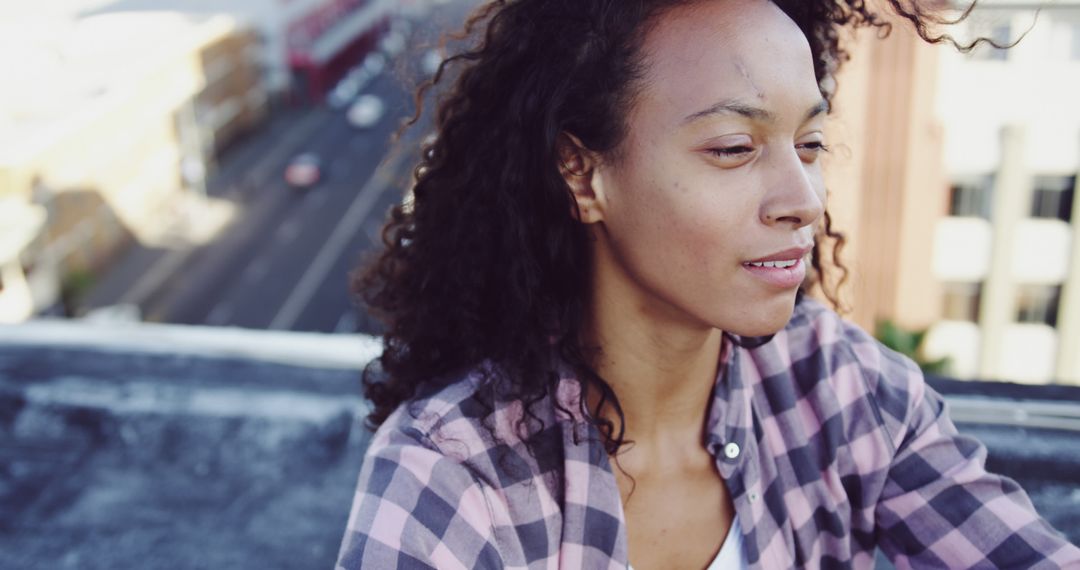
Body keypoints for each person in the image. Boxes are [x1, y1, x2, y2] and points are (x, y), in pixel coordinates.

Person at [337, 0, 1080, 568]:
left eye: (810, 144)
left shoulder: (837, 390)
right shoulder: (455, 474)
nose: (804, 198)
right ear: (583, 172)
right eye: (733, 147)